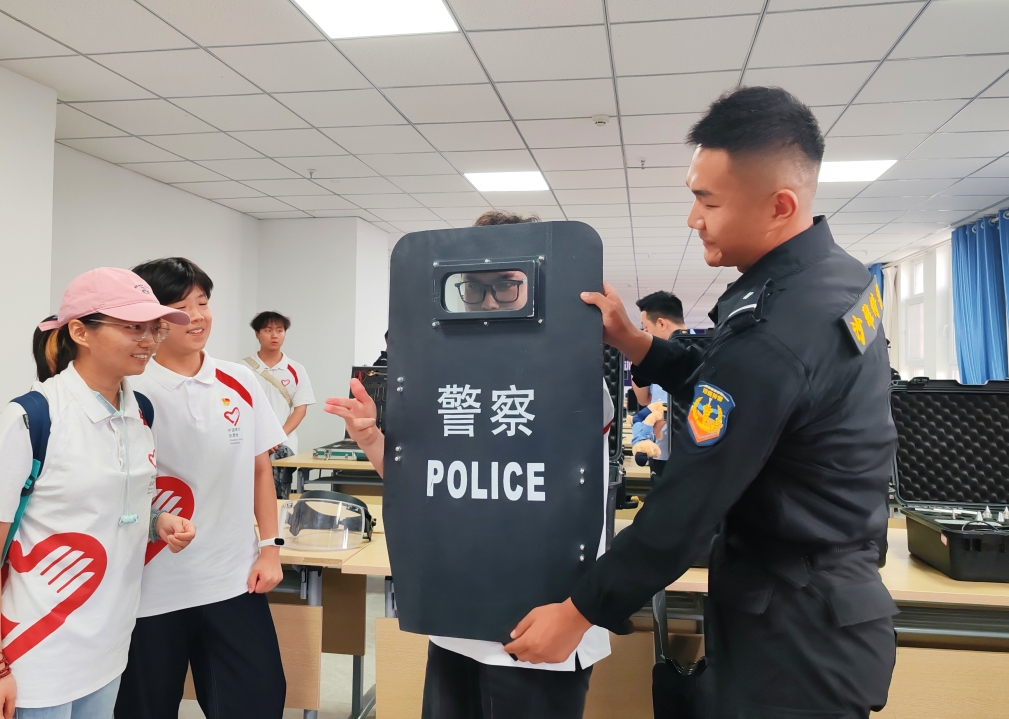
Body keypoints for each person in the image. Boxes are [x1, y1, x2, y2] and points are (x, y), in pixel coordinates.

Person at [504, 87, 899, 719]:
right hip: (821, 606)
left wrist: (578, 611)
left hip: (794, 639)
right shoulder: (837, 279)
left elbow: (688, 505)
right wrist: (636, 343)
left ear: (780, 206)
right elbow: (741, 394)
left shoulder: (775, 333)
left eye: (708, 202)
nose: (694, 220)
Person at [328, 210, 613, 719]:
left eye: (506, 287)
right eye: (474, 288)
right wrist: (371, 438)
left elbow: (580, 494)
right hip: (457, 616)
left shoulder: (574, 378)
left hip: (541, 619)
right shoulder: (443, 384)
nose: (490, 302)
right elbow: (425, 485)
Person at [0, 268, 195, 718]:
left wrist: (156, 523)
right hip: (34, 652)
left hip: (108, 646)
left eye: (155, 328)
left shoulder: (140, 412)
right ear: (79, 331)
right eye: (133, 327)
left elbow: (104, 509)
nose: (148, 340)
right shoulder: (32, 418)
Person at [115, 258, 289, 719]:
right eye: (179, 306)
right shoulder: (128, 388)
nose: (196, 316)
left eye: (203, 302)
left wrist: (270, 549)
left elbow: (260, 470)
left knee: (257, 701)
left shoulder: (240, 380)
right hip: (148, 590)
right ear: (151, 317)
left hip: (233, 580)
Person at [242, 311, 316, 498]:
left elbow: (300, 409)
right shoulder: (241, 369)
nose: (274, 335)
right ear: (257, 334)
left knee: (278, 497)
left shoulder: (296, 369)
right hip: (250, 443)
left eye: (279, 330)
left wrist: (276, 437)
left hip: (283, 444)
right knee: (247, 496)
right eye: (268, 330)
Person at [630, 291, 686, 480]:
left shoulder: (702, 351)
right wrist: (638, 361)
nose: (645, 333)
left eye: (646, 327)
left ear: (661, 323)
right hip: (660, 450)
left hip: (691, 451)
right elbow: (644, 399)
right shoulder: (654, 358)